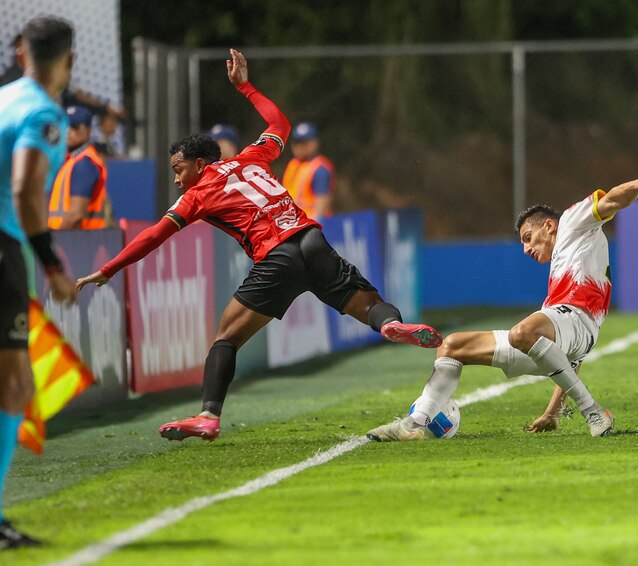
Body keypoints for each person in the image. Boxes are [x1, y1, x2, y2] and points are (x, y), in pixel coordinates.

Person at [76, 49, 443, 443]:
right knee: (370, 305)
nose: (178, 180)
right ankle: (390, 325)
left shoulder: (197, 195)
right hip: (311, 240)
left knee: (225, 338)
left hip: (277, 258)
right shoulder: (253, 157)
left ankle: (208, 416)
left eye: (179, 171)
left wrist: (109, 268)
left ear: (199, 164)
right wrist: (245, 87)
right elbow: (280, 124)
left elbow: (153, 235)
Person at [367, 171, 638, 441]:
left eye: (529, 237)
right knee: (451, 346)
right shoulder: (558, 282)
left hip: (578, 321)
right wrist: (553, 412)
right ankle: (415, 423)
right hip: (564, 334)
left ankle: (593, 411)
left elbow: (611, 200)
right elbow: (571, 360)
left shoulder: (572, 222)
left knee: (523, 332)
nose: (527, 248)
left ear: (549, 226)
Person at [0, 16, 78, 549]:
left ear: (21, 52)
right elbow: (26, 189)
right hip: (3, 248)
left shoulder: (3, 99)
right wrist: (51, 265)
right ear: (69, 60)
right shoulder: (43, 113)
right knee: (14, 386)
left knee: (17, 385)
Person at [48, 105, 112, 230]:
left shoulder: (84, 163)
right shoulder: (72, 160)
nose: (68, 131)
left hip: (79, 239)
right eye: (64, 126)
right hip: (74, 238)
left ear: (88, 131)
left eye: (75, 127)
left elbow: (76, 215)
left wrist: (53, 239)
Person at [282, 121, 335, 220]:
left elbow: (321, 206)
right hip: (293, 222)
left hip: (311, 224)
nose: (299, 147)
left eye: (304, 143)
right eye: (296, 143)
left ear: (314, 143)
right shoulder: (293, 165)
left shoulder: (319, 169)